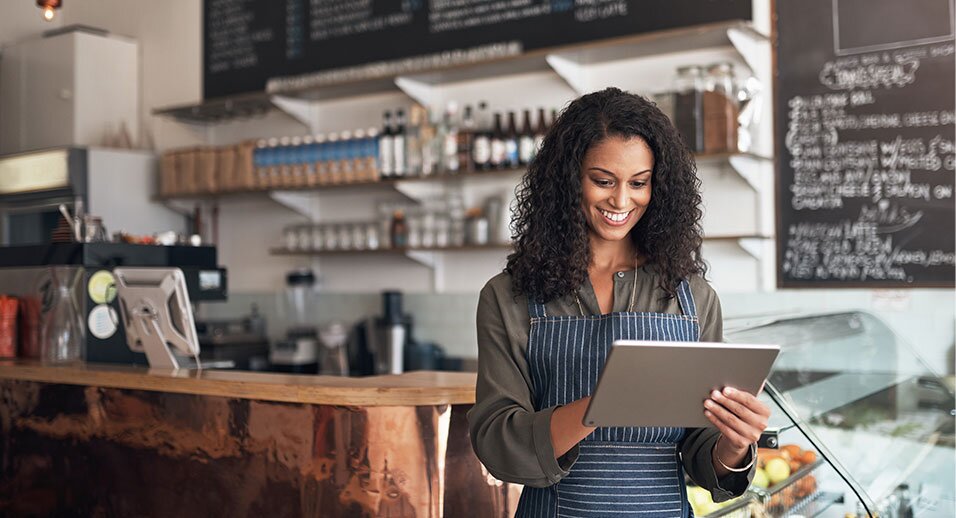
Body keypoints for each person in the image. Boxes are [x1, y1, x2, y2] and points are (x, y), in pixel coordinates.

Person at [467, 88, 770, 517]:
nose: (622, 201)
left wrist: (735, 442)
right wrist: (599, 405)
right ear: (568, 180)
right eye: (603, 180)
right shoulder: (509, 296)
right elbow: (496, 440)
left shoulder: (692, 297)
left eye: (639, 183)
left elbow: (702, 453)